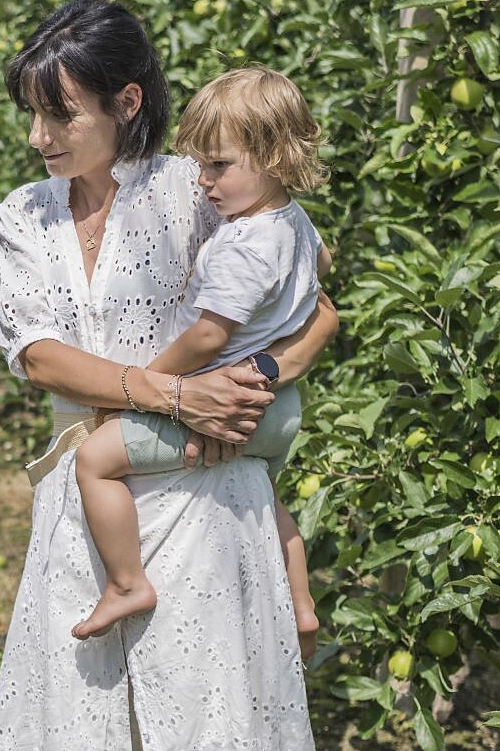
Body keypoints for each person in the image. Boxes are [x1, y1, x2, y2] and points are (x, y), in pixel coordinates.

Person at [0, 0, 340, 751]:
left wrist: (258, 392)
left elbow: (314, 307)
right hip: (92, 491)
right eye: (32, 114)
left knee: (190, 748)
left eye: (61, 112)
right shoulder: (22, 218)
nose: (42, 136)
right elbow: (38, 357)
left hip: (199, 504)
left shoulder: (200, 188)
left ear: (127, 103)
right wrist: (172, 390)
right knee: (71, 728)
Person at [70, 67, 331, 655]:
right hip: (279, 404)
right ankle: (301, 604)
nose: (205, 182)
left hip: (231, 397)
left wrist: (148, 379)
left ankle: (126, 582)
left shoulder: (244, 243)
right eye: (200, 165)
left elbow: (211, 336)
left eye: (219, 166)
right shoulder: (291, 221)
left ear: (276, 158)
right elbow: (322, 271)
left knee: (95, 461)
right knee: (268, 493)